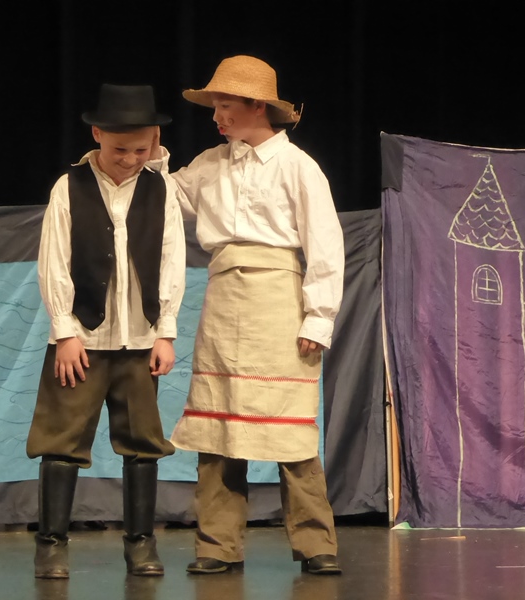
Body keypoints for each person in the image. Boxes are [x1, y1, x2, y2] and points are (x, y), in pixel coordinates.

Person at [154, 55, 345, 575]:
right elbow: (166, 196)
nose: (217, 116)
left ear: (257, 105)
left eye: (225, 106)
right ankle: (217, 544)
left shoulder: (297, 166)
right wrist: (152, 155)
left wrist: (318, 317)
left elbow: (325, 245)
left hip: (277, 300)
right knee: (218, 430)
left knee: (290, 429)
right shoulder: (210, 163)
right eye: (214, 106)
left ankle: (316, 543)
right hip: (224, 298)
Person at [26, 83, 186, 579]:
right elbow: (54, 260)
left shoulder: (160, 189)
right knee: (61, 438)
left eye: (141, 149)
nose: (130, 159)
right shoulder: (69, 186)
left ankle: (141, 544)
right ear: (97, 135)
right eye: (120, 150)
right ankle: (51, 544)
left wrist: (165, 331)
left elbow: (171, 259)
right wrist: (64, 330)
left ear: (154, 140)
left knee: (143, 441)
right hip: (83, 338)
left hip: (139, 338)